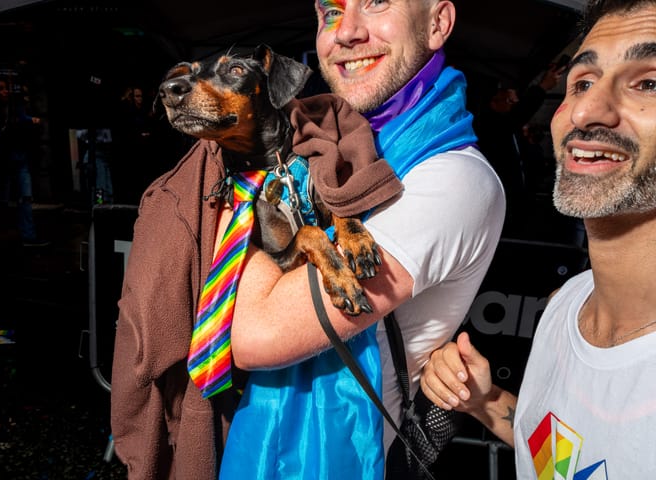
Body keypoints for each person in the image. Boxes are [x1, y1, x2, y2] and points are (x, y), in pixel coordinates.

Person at [110, 0, 505, 478]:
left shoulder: (450, 178)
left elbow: (256, 337)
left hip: (350, 455)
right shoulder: (329, 144)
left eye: (377, 2)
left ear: (439, 21)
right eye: (330, 12)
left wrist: (247, 207)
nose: (347, 32)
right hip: (252, 429)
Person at [420, 1, 656, 477]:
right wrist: (485, 403)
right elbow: (562, 457)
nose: (587, 109)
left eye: (649, 82)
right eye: (582, 83)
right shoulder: (565, 307)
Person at [474, 65, 565, 236]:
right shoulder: (489, 124)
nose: (513, 106)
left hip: (518, 200)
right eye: (509, 101)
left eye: (514, 102)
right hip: (501, 199)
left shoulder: (511, 130)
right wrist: (543, 87)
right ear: (494, 102)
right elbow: (519, 115)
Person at [0, 77, 49, 250]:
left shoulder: (13, 107)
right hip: (0, 160)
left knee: (25, 197)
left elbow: (21, 120)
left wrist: (30, 121)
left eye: (6, 88)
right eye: (1, 88)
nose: (5, 91)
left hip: (16, 156)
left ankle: (28, 236)